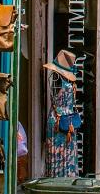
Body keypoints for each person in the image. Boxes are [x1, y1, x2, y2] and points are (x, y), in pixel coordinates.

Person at [43, 50, 79, 178]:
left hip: (61, 120)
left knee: (64, 151)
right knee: (64, 152)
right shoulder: (61, 80)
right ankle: (61, 179)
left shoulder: (56, 78)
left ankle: (60, 179)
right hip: (63, 120)